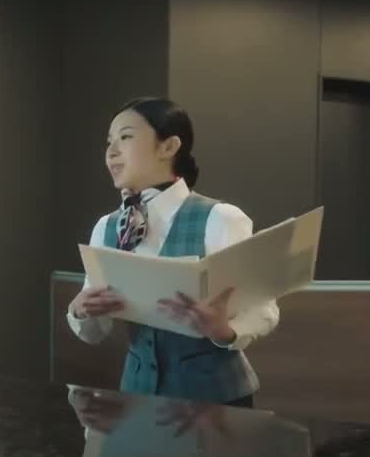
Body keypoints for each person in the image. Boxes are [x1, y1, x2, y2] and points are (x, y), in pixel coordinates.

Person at [67, 97, 279, 408]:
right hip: (137, 398)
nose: (111, 151)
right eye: (109, 142)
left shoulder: (221, 219)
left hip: (217, 403)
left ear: (168, 147)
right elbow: (94, 332)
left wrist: (225, 331)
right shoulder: (106, 227)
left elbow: (264, 309)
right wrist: (80, 310)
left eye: (126, 137)